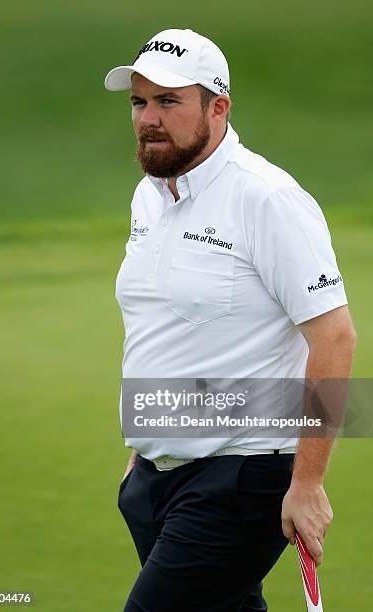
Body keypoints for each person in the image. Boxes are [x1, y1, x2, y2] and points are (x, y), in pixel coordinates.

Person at [104, 28, 357, 611]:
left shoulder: (266, 198)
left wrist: (308, 483)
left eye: (169, 102)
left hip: (242, 477)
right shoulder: (149, 195)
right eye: (139, 102)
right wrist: (146, 448)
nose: (149, 118)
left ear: (217, 107)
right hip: (153, 480)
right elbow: (163, 327)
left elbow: (335, 337)